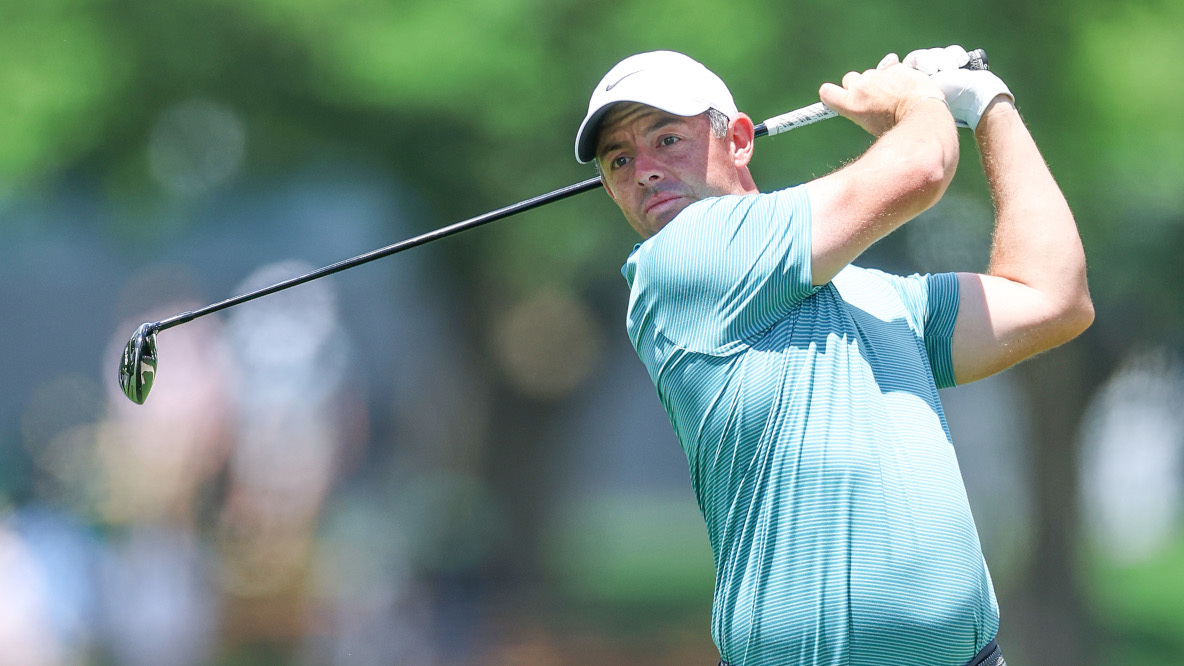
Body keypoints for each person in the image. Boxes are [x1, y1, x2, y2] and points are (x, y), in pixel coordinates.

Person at [573, 46, 1093, 665]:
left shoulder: (874, 296)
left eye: (667, 140)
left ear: (739, 140)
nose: (644, 172)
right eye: (619, 160)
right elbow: (923, 167)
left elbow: (1053, 298)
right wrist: (917, 100)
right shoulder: (679, 264)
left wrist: (990, 107)